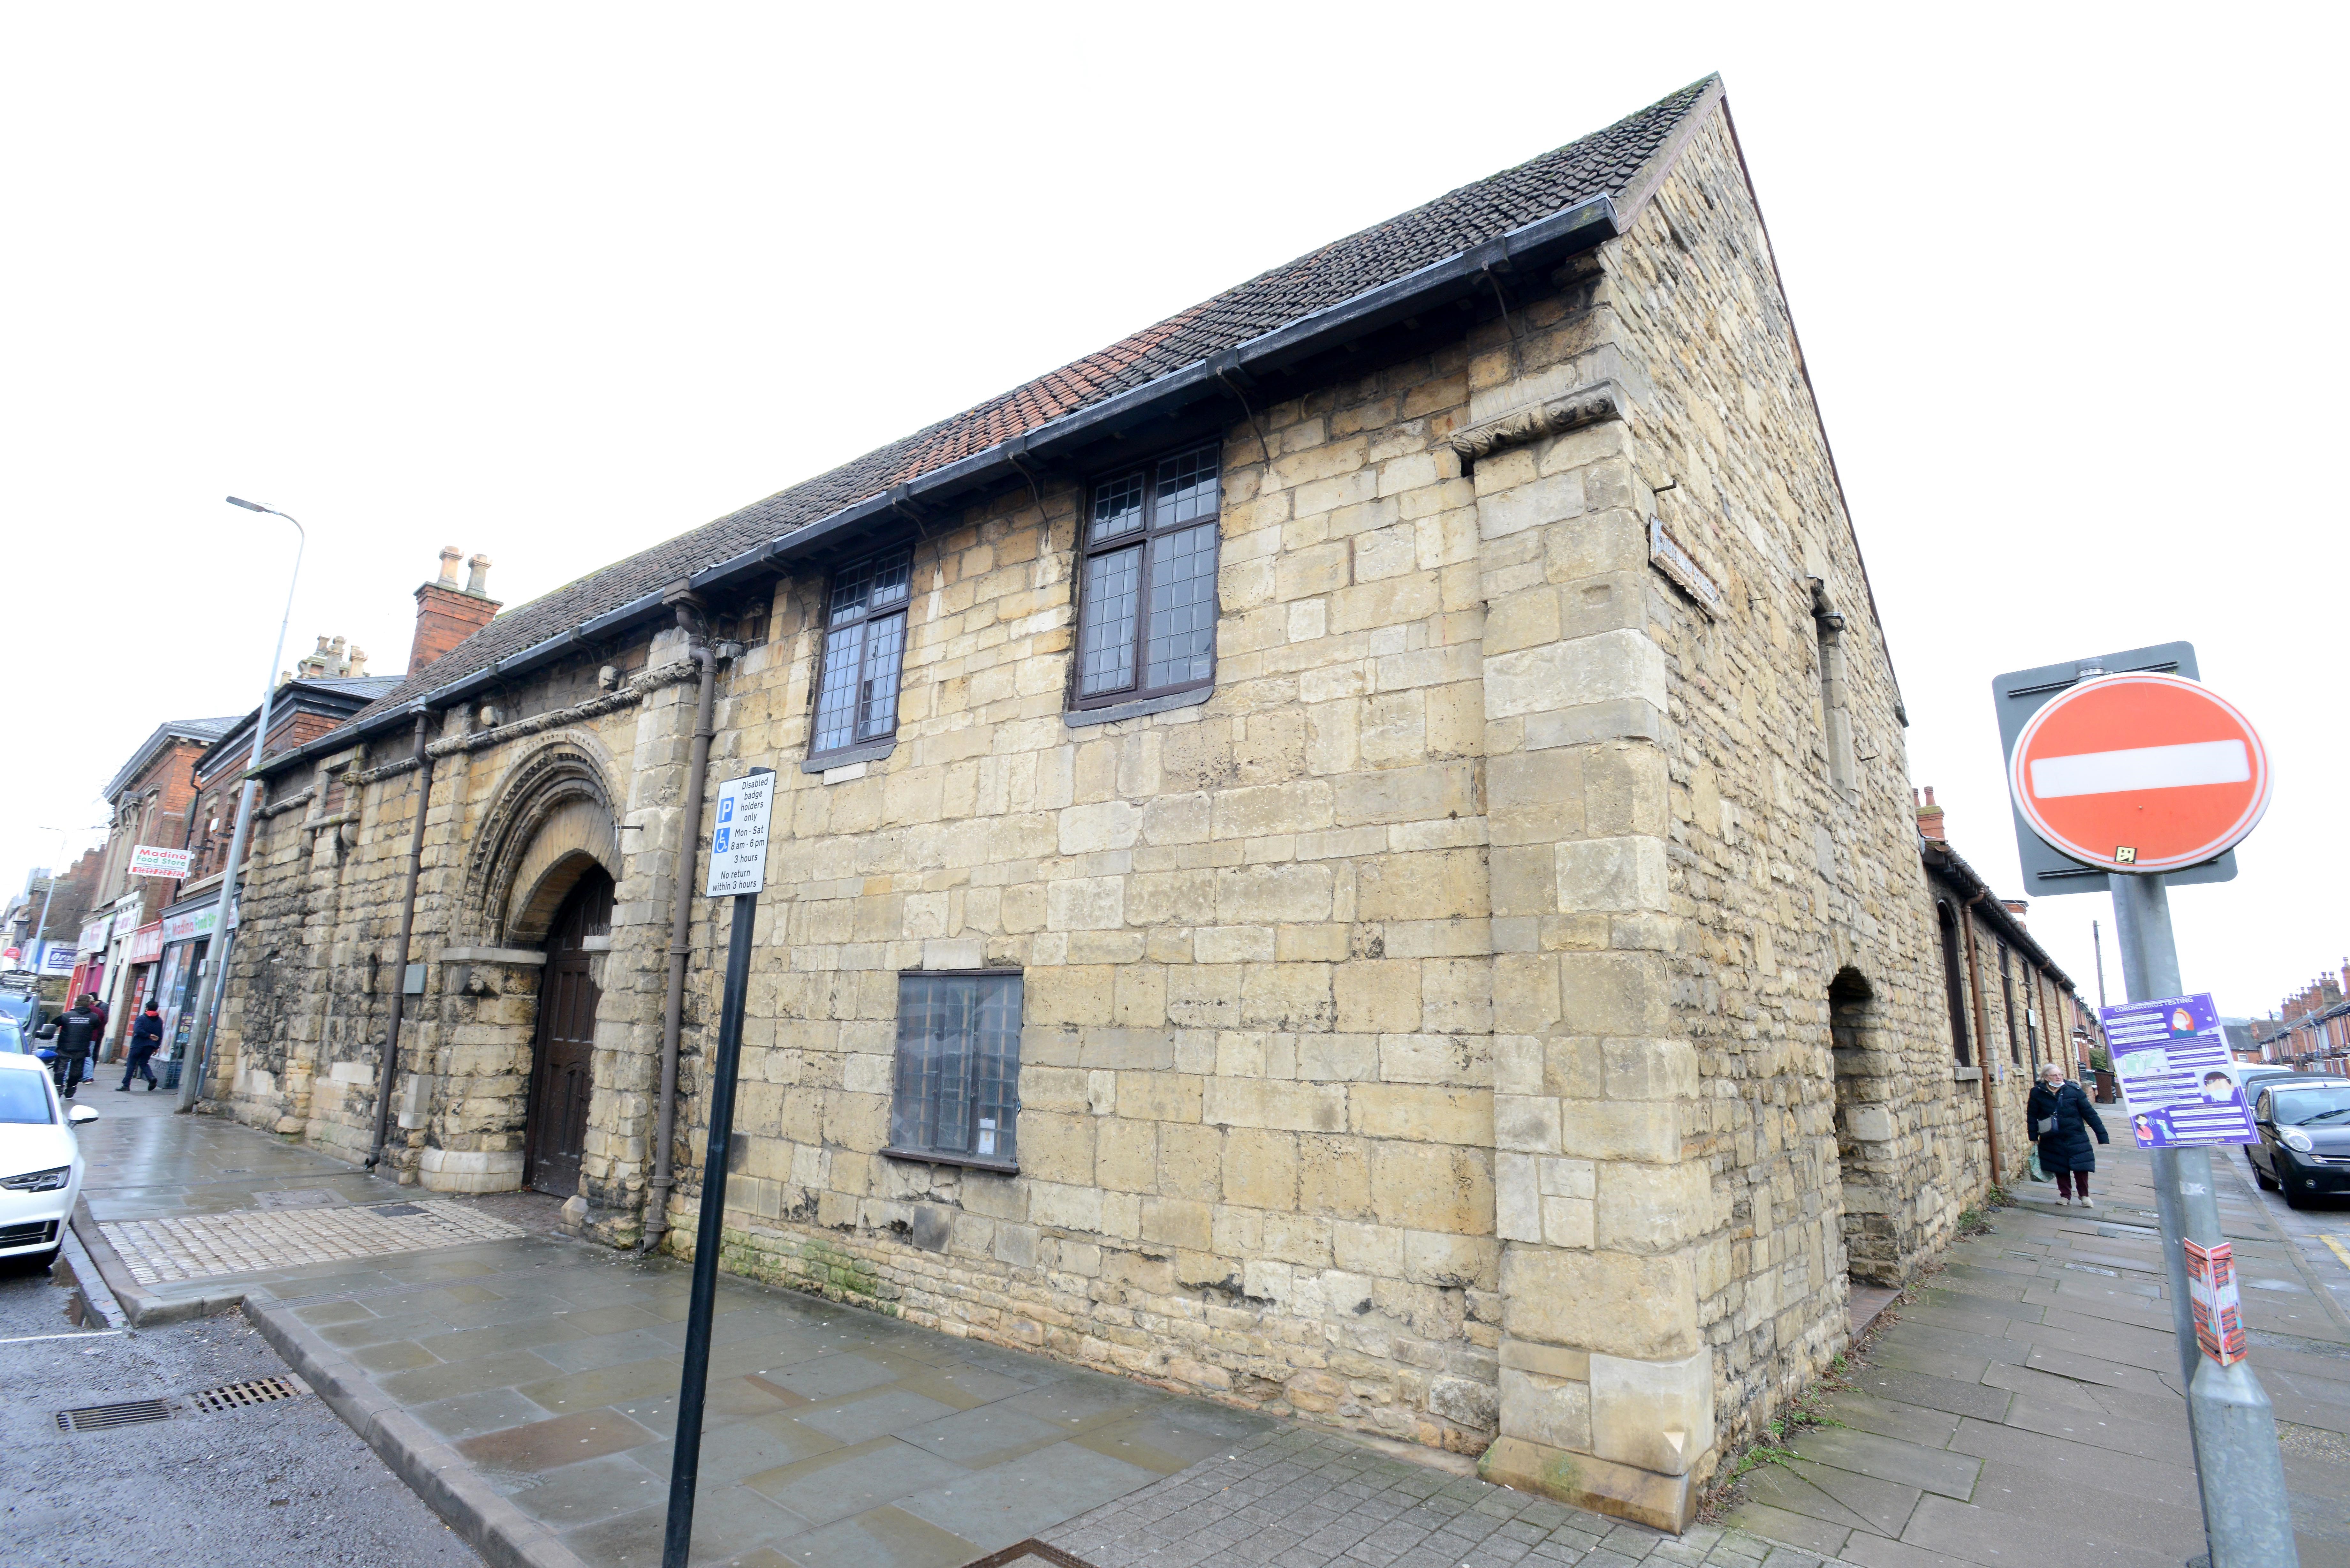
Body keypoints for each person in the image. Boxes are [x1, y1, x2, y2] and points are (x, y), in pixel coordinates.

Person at [2030, 1060, 2110, 1207]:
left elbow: (2090, 1114)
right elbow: (2032, 1115)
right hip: (2052, 1136)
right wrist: (2033, 1135)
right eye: (2055, 1076)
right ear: (2047, 1078)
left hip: (2076, 1135)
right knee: (2060, 1167)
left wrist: (2102, 1134)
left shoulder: (2074, 1091)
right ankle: (2065, 1196)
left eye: (2060, 1075)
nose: (2059, 1078)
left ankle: (2084, 1196)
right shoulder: (2038, 1093)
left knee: (2081, 1167)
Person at [38, 997, 97, 1100]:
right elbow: (97, 1026)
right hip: (82, 1048)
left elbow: (54, 1023)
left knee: (60, 1069)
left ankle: (58, 1090)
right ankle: (71, 1091)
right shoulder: (94, 1017)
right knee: (76, 1071)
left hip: (65, 1047)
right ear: (89, 1004)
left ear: (76, 1004)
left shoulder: (67, 1016)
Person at [119, 1002, 163, 1091]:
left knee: (131, 1064)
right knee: (144, 1063)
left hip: (138, 1045)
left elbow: (137, 1030)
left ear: (147, 1008)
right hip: (150, 1046)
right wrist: (157, 1047)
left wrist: (148, 1035)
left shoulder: (141, 1018)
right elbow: (160, 1035)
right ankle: (151, 1078)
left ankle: (126, 1085)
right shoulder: (159, 1021)